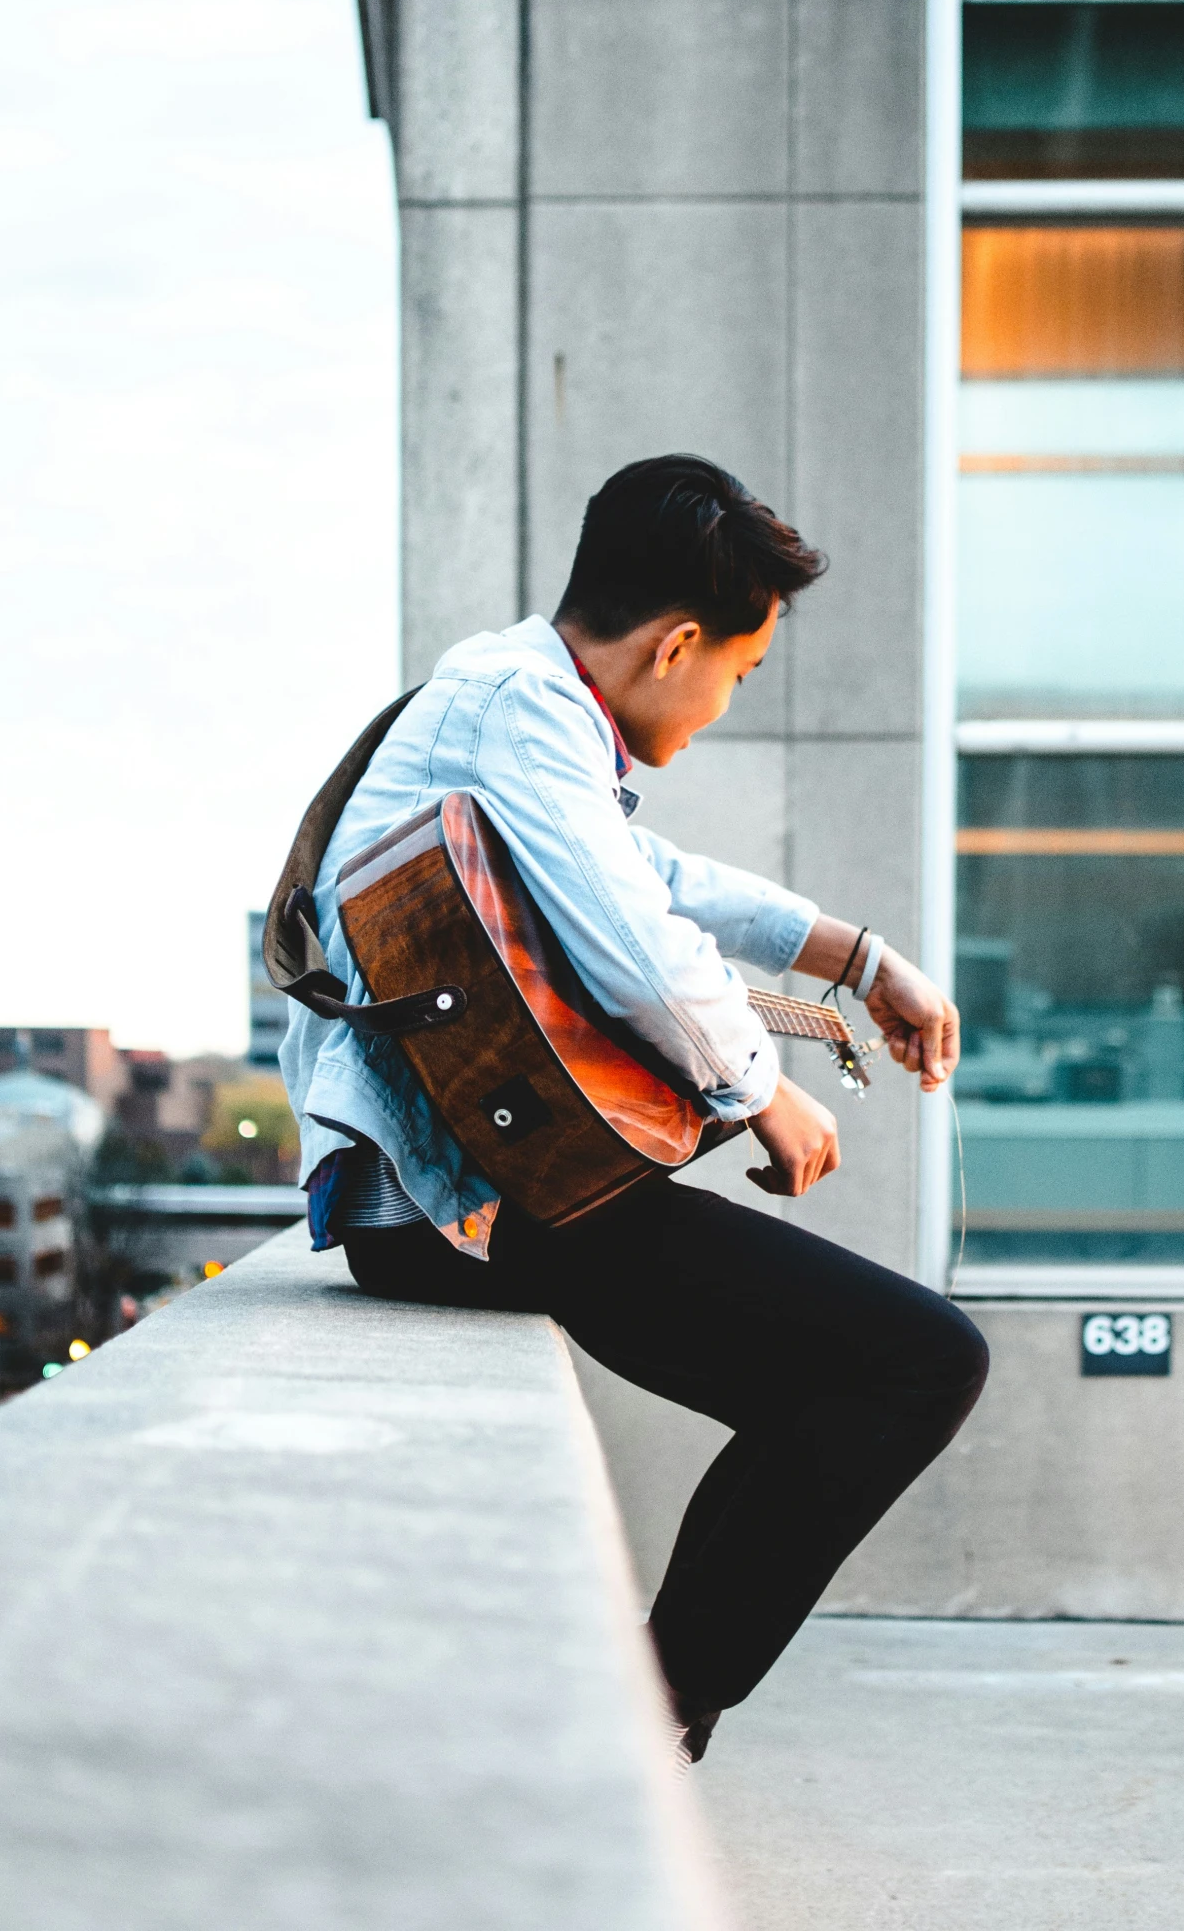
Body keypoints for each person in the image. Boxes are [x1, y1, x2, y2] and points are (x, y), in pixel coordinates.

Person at [281, 453, 988, 1764]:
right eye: (741, 669)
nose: (725, 699)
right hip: (464, 1196)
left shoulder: (511, 699)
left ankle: (652, 1708)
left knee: (824, 1393)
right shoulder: (515, 710)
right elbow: (631, 937)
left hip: (484, 1184)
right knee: (918, 1358)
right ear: (676, 642)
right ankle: (650, 1714)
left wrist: (853, 954)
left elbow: (641, 868)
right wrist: (764, 1094)